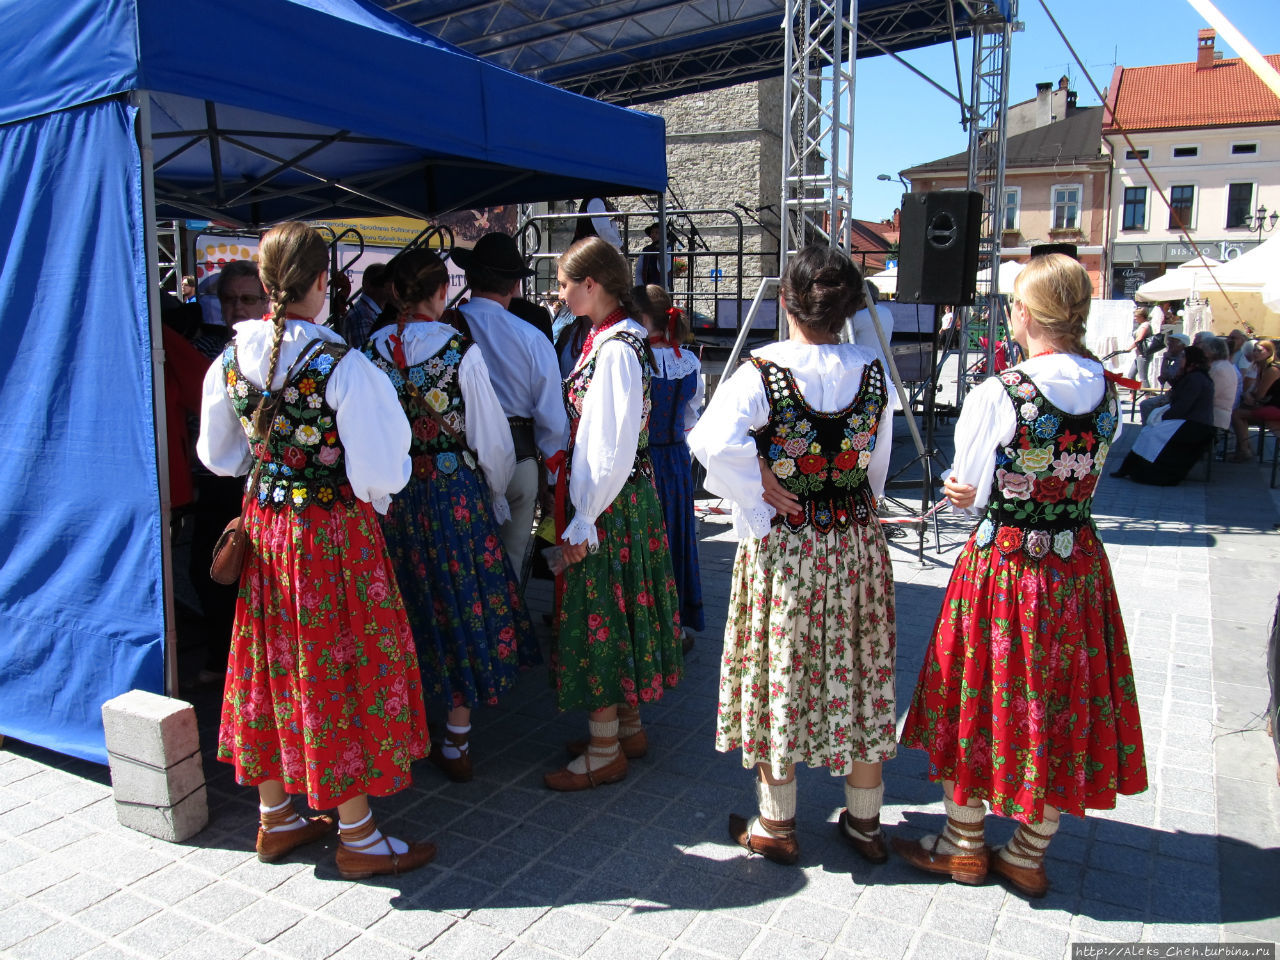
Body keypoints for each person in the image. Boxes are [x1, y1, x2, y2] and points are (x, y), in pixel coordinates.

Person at [895, 253, 1146, 899]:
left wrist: (959, 492)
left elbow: (972, 492)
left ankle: (963, 843)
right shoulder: (1109, 389)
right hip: (1077, 567)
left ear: (1025, 315)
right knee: (1061, 699)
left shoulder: (1002, 391)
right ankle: (1029, 851)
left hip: (1006, 567)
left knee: (975, 691)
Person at [196, 222, 434, 880]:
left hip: (266, 533)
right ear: (323, 282)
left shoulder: (230, 360)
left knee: (275, 666)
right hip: (328, 536)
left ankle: (277, 817)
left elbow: (219, 458)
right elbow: (384, 469)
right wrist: (363, 500)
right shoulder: (341, 364)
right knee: (335, 670)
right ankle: (356, 833)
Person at [688, 245, 896, 867]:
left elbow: (707, 441)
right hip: (855, 539)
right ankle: (865, 822)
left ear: (787, 303)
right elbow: (876, 468)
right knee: (861, 665)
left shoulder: (761, 371)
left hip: (789, 542)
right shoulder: (875, 371)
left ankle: (777, 823)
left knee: (783, 664)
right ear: (851, 307)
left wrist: (756, 484)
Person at [364, 248, 536, 783]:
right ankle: (455, 739)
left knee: (405, 602)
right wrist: (495, 490)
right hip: (450, 493)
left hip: (393, 494)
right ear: (442, 293)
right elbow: (491, 439)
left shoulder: (368, 352)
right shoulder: (460, 351)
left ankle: (402, 725)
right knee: (461, 603)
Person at [545, 236, 684, 792]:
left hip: (610, 499)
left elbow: (609, 442)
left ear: (591, 285)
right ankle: (627, 727)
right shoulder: (608, 338)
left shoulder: (617, 348)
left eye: (563, 284)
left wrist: (583, 515)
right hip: (621, 497)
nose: (559, 294)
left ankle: (605, 750)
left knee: (599, 612)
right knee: (619, 606)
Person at [453, 233, 568, 579]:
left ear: (469, 278)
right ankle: (508, 629)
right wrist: (551, 479)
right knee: (511, 560)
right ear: (515, 283)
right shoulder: (530, 337)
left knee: (462, 560)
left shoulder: (445, 328)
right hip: (519, 456)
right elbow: (551, 417)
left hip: (458, 455)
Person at [633, 283, 705, 649]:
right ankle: (673, 626)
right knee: (674, 536)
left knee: (642, 539)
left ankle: (643, 624)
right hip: (676, 459)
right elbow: (692, 415)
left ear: (643, 318)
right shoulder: (688, 362)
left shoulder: (634, 358)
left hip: (642, 459)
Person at [1113, 345, 1216, 485]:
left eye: (1184, 357)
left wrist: (1164, 418)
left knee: (1152, 434)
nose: (1181, 359)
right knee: (1148, 432)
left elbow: (1183, 405)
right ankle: (1130, 468)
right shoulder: (1192, 376)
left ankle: (1142, 471)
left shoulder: (1196, 378)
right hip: (1187, 420)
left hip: (1194, 424)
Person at [1230, 338, 1280, 461]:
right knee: (1239, 411)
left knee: (1237, 414)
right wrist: (1249, 395)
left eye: (1259, 351)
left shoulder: (1272, 370)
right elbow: (1254, 391)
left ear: (1269, 353)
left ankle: (1244, 450)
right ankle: (1246, 448)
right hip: (1268, 405)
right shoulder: (1261, 367)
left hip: (1275, 408)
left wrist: (1249, 396)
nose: (1255, 353)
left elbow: (1259, 395)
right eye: (1254, 350)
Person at [1138, 332, 1189, 424]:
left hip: (1178, 397)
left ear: (1182, 345)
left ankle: (1148, 430)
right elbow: (1162, 377)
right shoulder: (1175, 357)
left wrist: (1165, 359)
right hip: (1173, 394)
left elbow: (1165, 377)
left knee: (1146, 405)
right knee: (1146, 405)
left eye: (1172, 342)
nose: (1169, 345)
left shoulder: (1182, 358)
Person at [341, 261, 389, 350]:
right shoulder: (362, 316)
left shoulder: (368, 313)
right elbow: (366, 355)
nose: (389, 288)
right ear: (368, 285)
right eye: (383, 283)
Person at [1204, 336, 1238, 433]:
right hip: (1215, 415)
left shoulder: (1218, 368)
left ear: (1212, 351)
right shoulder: (1223, 365)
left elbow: (1210, 394)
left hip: (1215, 417)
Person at [1128, 305, 1154, 389]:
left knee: (1143, 377)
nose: (1135, 318)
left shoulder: (1145, 325)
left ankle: (1147, 396)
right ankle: (1132, 394)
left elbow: (1139, 338)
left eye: (1136, 316)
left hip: (1143, 354)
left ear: (1142, 317)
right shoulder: (1142, 325)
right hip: (1139, 354)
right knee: (1131, 375)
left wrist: (1129, 348)